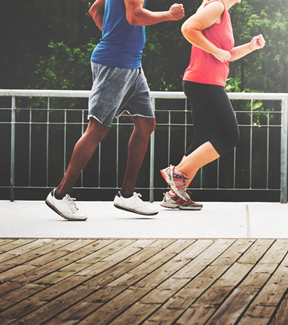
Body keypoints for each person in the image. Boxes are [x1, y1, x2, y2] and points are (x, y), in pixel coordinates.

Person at [45, 0, 185, 221]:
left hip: (132, 66)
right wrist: (170, 15)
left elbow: (94, 9)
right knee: (97, 128)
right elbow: (135, 17)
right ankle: (59, 194)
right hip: (115, 64)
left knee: (146, 124)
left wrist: (114, 33)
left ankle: (127, 195)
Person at [159, 0, 265, 210]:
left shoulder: (222, 12)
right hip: (204, 82)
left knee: (201, 140)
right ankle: (177, 172)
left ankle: (174, 196)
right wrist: (216, 51)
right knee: (229, 136)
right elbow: (188, 28)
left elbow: (226, 55)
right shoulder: (216, 7)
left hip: (204, 82)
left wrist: (250, 47)